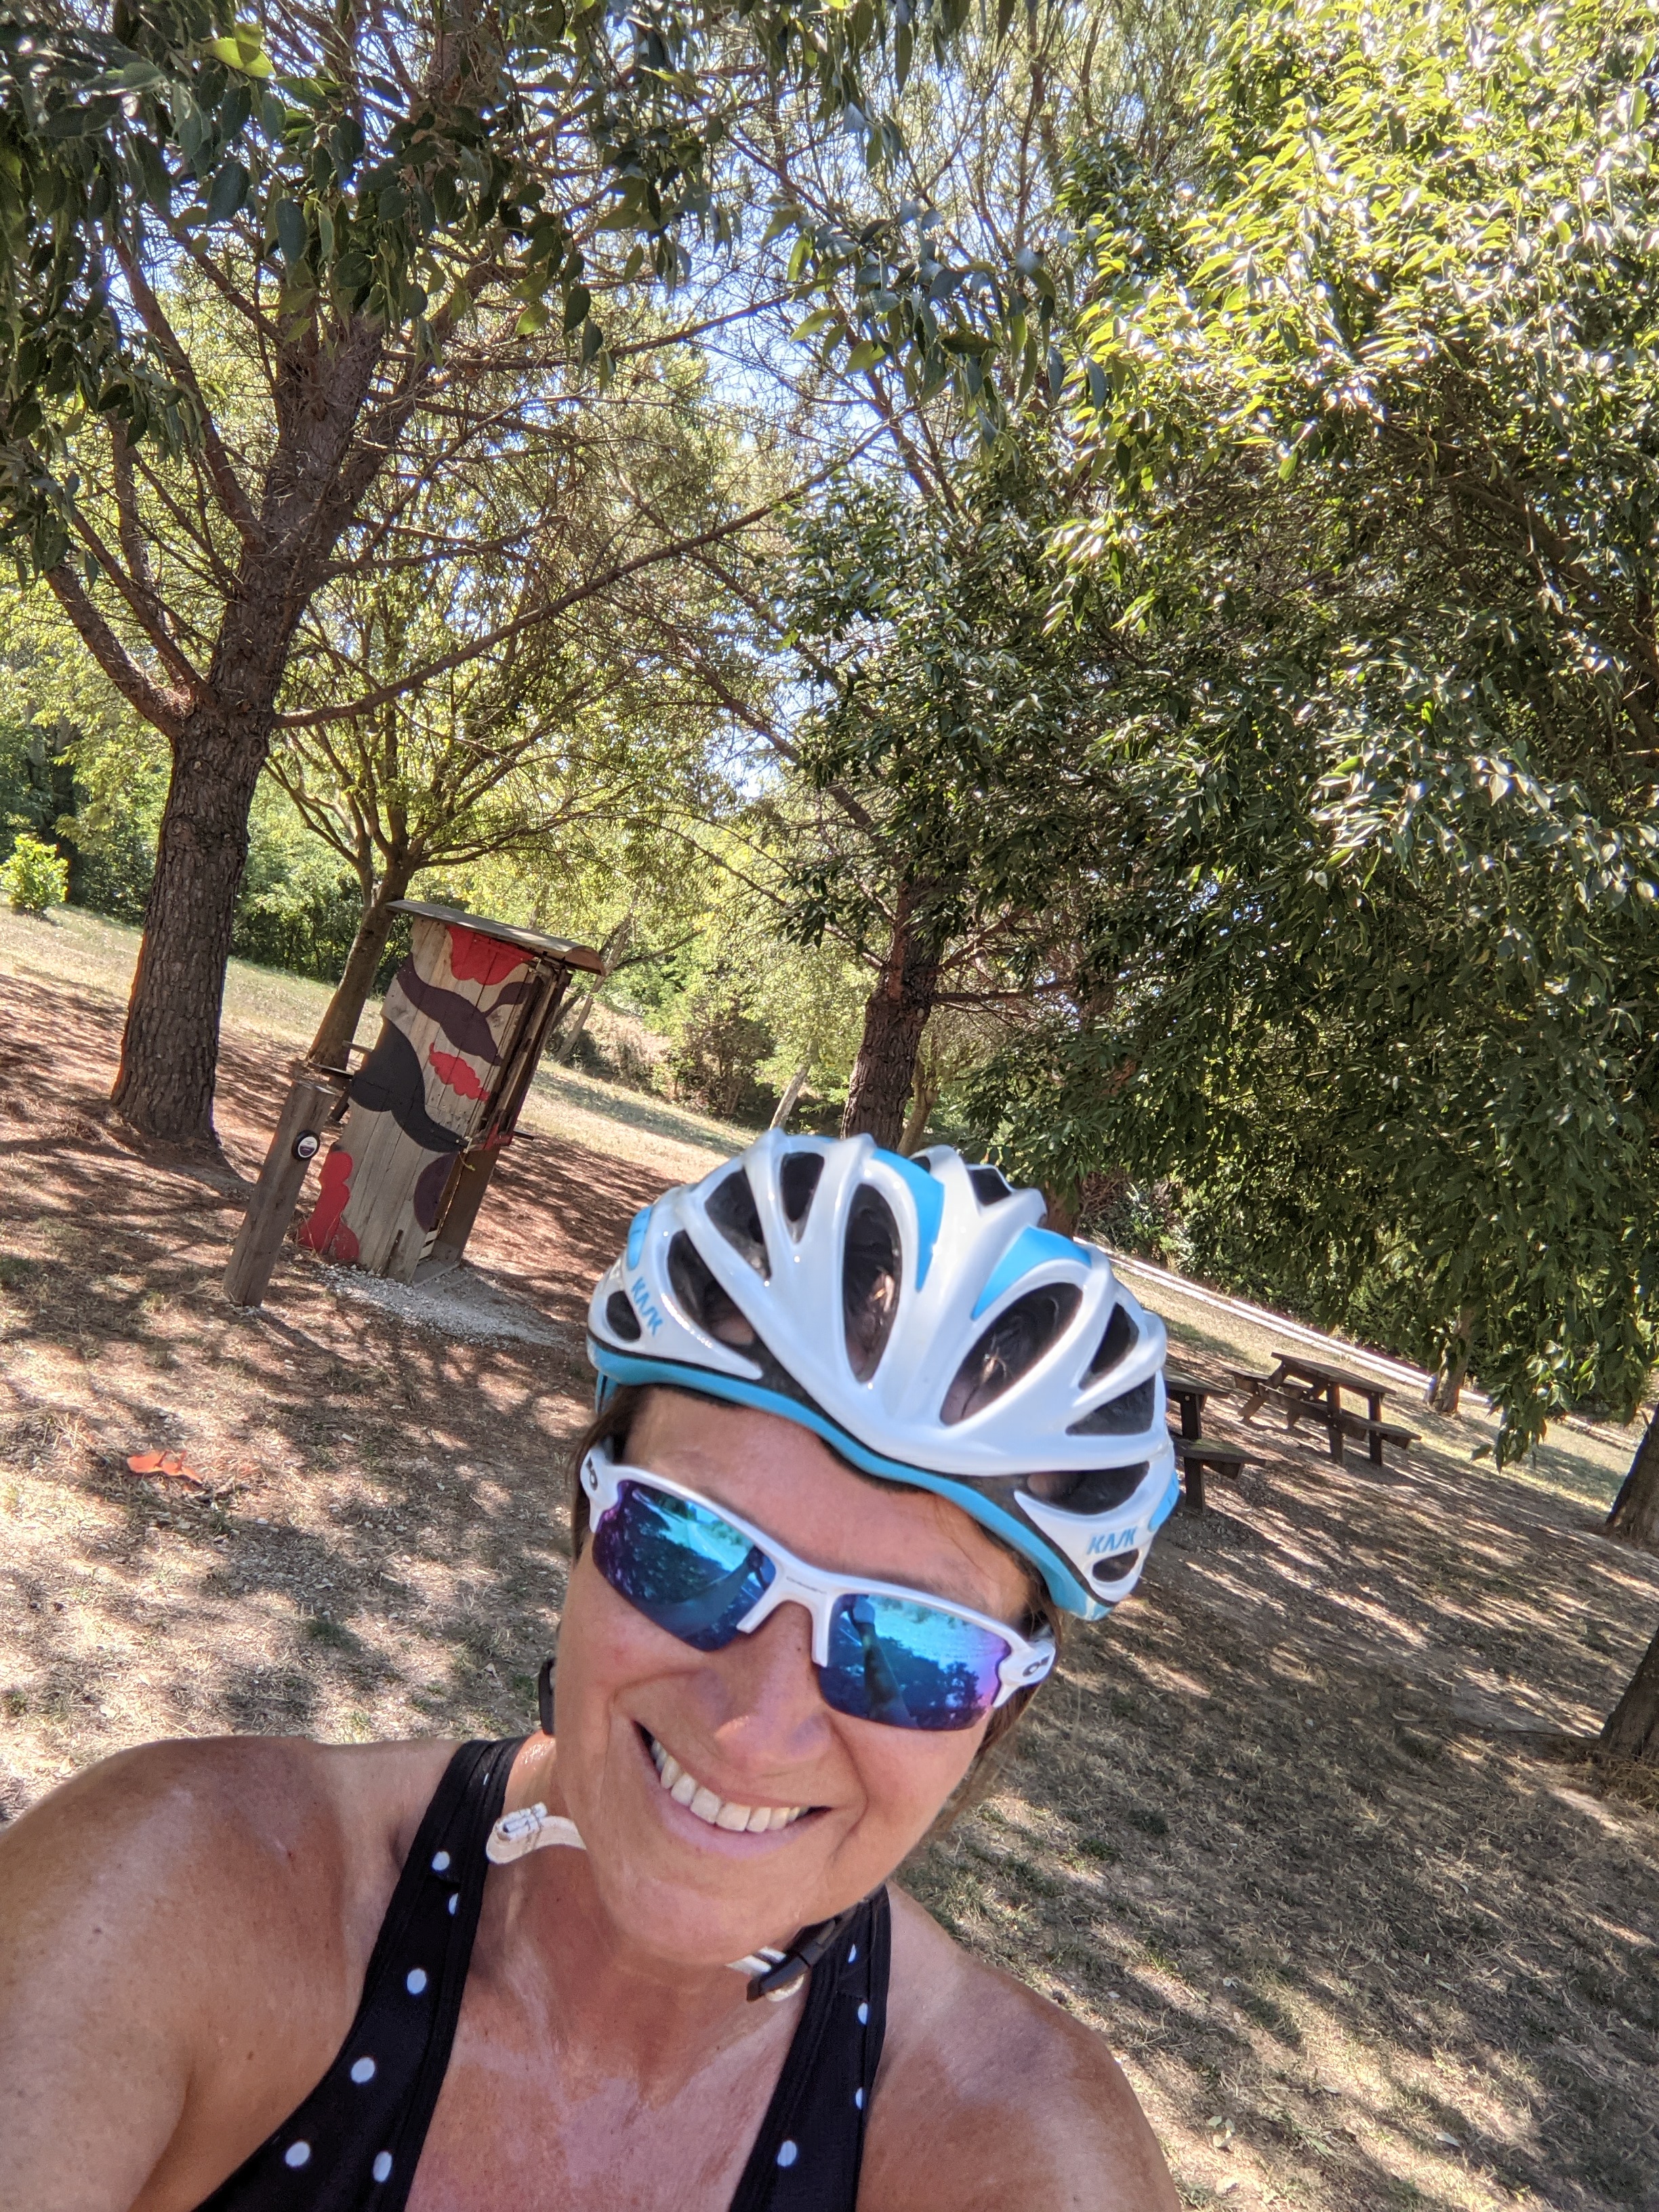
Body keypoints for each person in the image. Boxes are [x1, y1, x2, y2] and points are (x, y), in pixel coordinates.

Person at [0, 1132, 1182, 2211]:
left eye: (920, 1649)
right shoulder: (187, 1891)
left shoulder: (1017, 2148)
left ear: (999, 1708)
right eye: (688, 1549)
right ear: (585, 1525)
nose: (760, 1721)